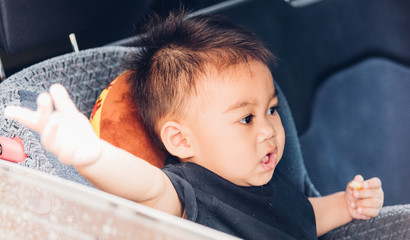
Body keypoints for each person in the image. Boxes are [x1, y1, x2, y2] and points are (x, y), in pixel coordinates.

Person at [5, 10, 383, 239]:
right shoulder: (192, 195)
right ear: (181, 140)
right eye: (246, 118)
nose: (269, 129)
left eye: (270, 110)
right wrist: (90, 156)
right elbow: (144, 186)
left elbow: (304, 217)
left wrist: (348, 205)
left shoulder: (269, 180)